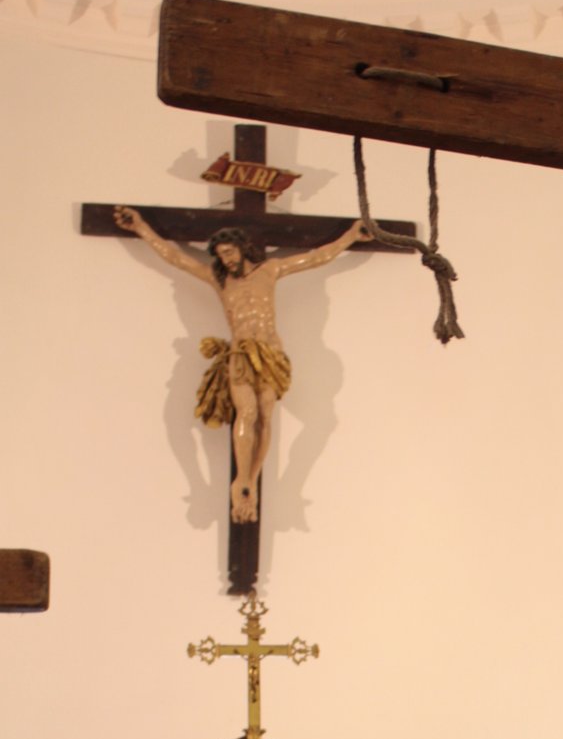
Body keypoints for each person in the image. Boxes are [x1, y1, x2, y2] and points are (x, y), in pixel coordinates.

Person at [113, 207, 371, 522]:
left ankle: (252, 478)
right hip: (240, 354)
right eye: (221, 255)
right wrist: (141, 228)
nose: (227, 259)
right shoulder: (218, 280)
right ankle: (242, 480)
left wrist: (350, 237)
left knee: (265, 414)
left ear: (242, 247)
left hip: (270, 354)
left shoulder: (269, 270)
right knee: (246, 412)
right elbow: (176, 257)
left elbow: (317, 258)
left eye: (230, 251)